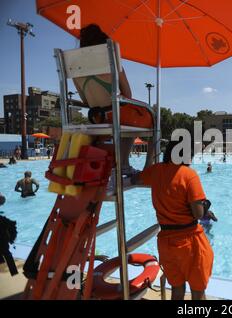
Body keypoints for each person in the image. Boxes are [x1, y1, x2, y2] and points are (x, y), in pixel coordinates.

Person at [131, 140, 214, 300]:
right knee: (197, 292)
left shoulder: (156, 171)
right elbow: (198, 214)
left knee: (177, 289)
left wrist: (150, 158)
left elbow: (136, 179)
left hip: (166, 242)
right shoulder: (189, 175)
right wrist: (205, 205)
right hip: (190, 242)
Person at [73, 24, 138, 177]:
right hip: (116, 117)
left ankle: (112, 163)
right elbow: (128, 94)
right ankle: (125, 165)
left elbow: (86, 100)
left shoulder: (75, 68)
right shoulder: (112, 60)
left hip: (96, 119)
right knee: (146, 119)